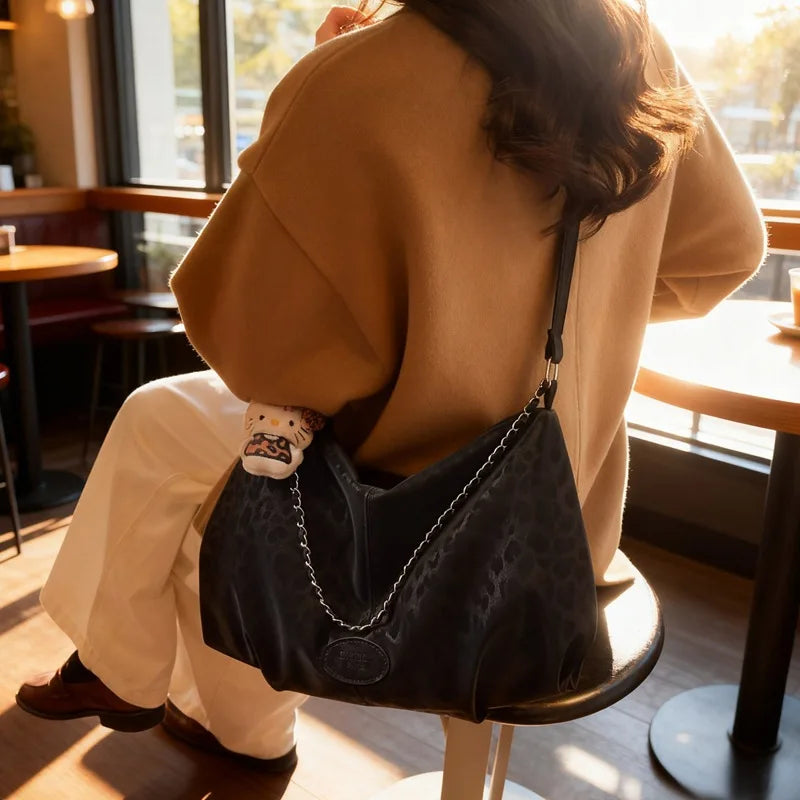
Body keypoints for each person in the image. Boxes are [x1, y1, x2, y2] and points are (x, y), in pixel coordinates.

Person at [17, 0, 766, 769]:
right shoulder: (636, 52)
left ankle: (140, 677)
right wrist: (588, 323)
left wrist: (318, 85)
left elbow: (257, 353)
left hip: (401, 506)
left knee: (195, 453)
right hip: (563, 513)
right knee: (185, 455)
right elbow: (728, 252)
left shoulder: (355, 76)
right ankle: (210, 714)